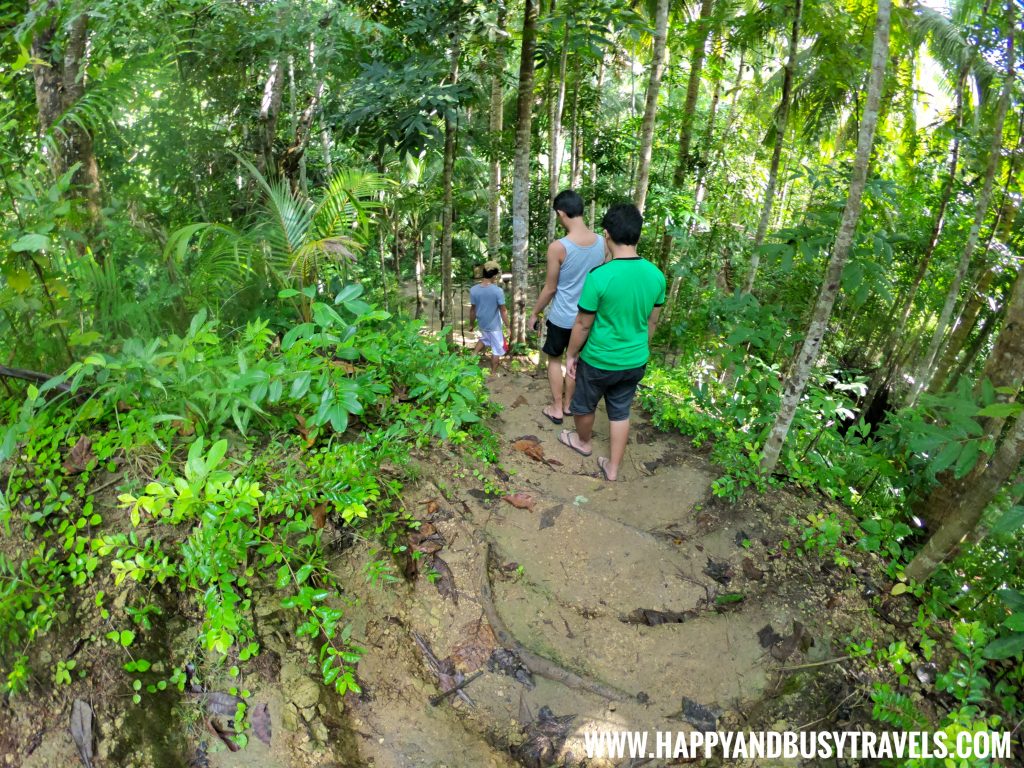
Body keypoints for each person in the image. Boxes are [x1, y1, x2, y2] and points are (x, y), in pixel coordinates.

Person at [557, 203, 666, 481]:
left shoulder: (599, 276)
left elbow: (583, 323)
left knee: (584, 405)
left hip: (599, 360)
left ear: (606, 234)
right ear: (638, 236)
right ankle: (613, 468)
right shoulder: (656, 276)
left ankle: (583, 442)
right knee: (620, 411)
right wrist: (640, 347)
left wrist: (571, 355)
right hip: (634, 360)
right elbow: (651, 323)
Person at [527, 190, 606, 425]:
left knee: (555, 360)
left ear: (561, 213)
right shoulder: (603, 243)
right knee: (576, 360)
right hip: (588, 318)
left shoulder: (559, 247)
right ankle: (570, 404)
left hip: (562, 317)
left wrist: (535, 312)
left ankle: (557, 407)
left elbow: (550, 288)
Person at [469, 260, 509, 373]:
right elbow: (503, 310)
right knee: (497, 349)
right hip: (494, 326)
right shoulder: (498, 291)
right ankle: (493, 373)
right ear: (494, 276)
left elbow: (473, 309)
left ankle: (473, 356)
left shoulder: (474, 290)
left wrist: (471, 324)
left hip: (482, 323)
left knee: (485, 339)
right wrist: (508, 326)